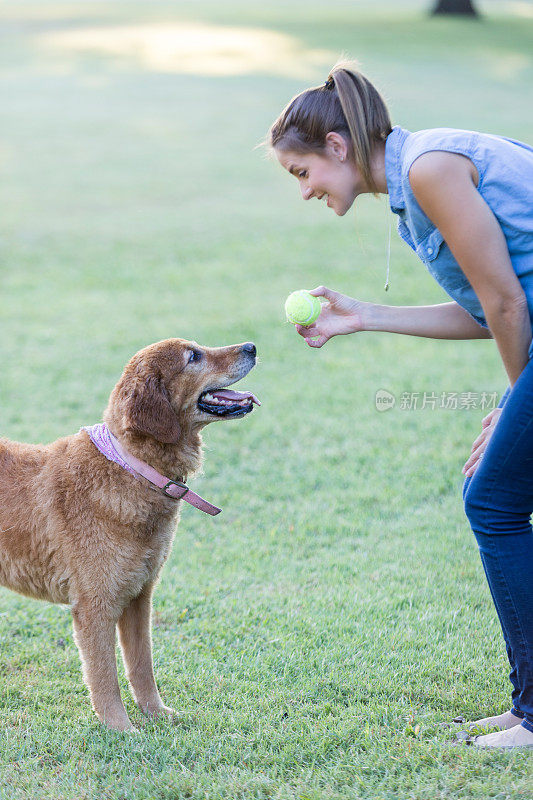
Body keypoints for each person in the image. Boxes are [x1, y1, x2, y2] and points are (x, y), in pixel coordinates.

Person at [268, 62, 533, 750]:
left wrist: (512, 404)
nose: (304, 192)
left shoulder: (430, 170)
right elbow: (490, 307)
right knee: (494, 497)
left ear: (335, 146)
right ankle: (526, 706)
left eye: (301, 173)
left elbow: (507, 303)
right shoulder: (415, 183)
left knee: (493, 502)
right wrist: (365, 316)